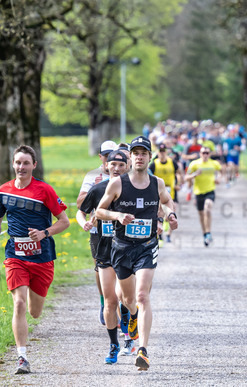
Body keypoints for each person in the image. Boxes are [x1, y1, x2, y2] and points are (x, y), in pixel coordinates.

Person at [94, 135, 179, 371]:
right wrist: (118, 215)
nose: (139, 157)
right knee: (127, 299)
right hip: (121, 248)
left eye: (144, 153)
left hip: (147, 246)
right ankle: (132, 317)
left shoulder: (157, 183)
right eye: (136, 153)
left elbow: (167, 203)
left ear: (149, 157)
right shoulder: (117, 184)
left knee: (142, 297)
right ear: (130, 157)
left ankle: (143, 349)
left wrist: (170, 215)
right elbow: (100, 211)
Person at [0, 145, 70, 375]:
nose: (21, 167)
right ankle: (22, 357)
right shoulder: (3, 190)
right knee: (19, 303)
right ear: (13, 164)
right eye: (18, 162)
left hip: (42, 257)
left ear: (34, 165)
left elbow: (64, 221)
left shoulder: (45, 190)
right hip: (15, 254)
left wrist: (45, 232)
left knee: (34, 311)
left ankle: (24, 347)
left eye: (26, 163)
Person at [77, 148, 131, 364]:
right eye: (113, 164)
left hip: (128, 251)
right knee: (110, 300)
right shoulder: (98, 189)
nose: (116, 168)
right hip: (104, 250)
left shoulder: (135, 189)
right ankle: (114, 344)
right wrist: (85, 223)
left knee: (125, 297)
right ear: (106, 166)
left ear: (127, 166)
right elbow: (81, 211)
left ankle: (129, 331)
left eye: (121, 165)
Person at [76, 140, 117, 325]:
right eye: (106, 155)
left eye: (113, 155)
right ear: (100, 157)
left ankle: (119, 306)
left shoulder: (125, 174)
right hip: (98, 229)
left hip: (120, 228)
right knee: (100, 268)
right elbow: (80, 203)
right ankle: (104, 303)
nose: (109, 159)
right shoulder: (92, 175)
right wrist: (97, 188)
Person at [185, 145, 222, 246]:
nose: (205, 155)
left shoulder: (214, 163)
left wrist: (219, 178)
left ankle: (209, 233)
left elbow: (220, 172)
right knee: (201, 215)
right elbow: (186, 177)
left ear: (209, 154)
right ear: (200, 154)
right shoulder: (194, 164)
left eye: (207, 153)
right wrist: (194, 175)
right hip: (198, 192)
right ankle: (205, 234)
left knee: (208, 209)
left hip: (210, 191)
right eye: (203, 153)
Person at [151, 143, 181, 242]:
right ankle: (160, 235)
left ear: (166, 152)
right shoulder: (154, 164)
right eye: (161, 151)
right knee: (160, 213)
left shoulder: (172, 162)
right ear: (158, 152)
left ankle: (168, 233)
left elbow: (179, 172)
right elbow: (148, 176)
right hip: (158, 192)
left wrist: (179, 183)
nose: (162, 153)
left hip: (171, 191)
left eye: (164, 151)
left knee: (172, 211)